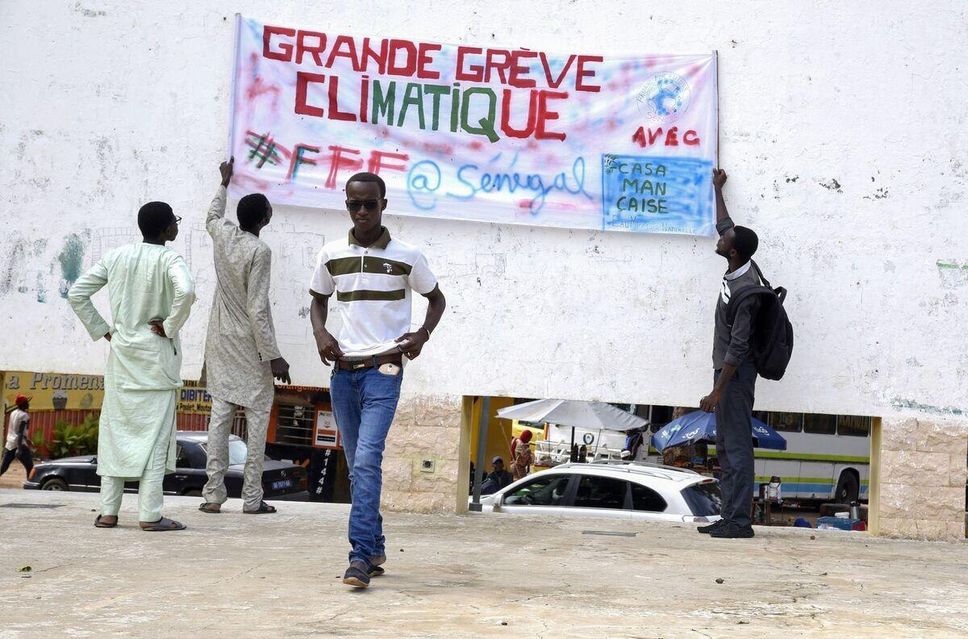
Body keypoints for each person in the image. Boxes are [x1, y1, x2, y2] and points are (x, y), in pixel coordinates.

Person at [309, 171, 446, 589]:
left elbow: (436, 299)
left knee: (366, 460)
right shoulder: (331, 254)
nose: (363, 211)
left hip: (385, 371)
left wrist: (421, 335)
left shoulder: (408, 255)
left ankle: (359, 558)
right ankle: (377, 543)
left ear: (384, 203)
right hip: (343, 375)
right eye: (355, 204)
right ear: (346, 205)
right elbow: (318, 299)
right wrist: (320, 333)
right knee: (358, 467)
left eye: (370, 203)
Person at [68, 200, 195, 531]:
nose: (177, 226)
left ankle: (108, 512)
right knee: (154, 438)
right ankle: (150, 515)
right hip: (157, 360)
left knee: (115, 434)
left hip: (123, 358)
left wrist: (104, 330)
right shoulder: (170, 258)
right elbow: (188, 290)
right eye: (175, 221)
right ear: (168, 228)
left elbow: (77, 294)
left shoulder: (116, 256)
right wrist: (169, 326)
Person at [198, 158, 291, 516]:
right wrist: (273, 355)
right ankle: (252, 498)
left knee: (219, 416)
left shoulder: (223, 234)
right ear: (264, 219)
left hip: (221, 339)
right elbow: (257, 308)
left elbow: (210, 217)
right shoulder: (259, 251)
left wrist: (223, 183)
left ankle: (212, 496)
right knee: (256, 419)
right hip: (250, 346)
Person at [698, 168, 761, 539]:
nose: (720, 238)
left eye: (726, 240)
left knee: (737, 447)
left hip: (734, 378)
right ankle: (729, 515)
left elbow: (738, 347)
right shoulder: (739, 264)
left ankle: (740, 521)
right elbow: (726, 223)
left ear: (732, 252)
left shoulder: (747, 291)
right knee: (724, 446)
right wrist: (717, 189)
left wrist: (718, 390)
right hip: (725, 375)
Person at [1, 395, 33, 477]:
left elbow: (15, 429)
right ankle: (30, 485)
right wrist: (19, 449)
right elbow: (20, 432)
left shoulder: (13, 413)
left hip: (10, 443)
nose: (28, 404)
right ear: (22, 404)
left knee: (3, 466)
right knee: (30, 467)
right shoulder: (24, 415)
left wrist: (27, 439)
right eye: (26, 402)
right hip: (19, 444)